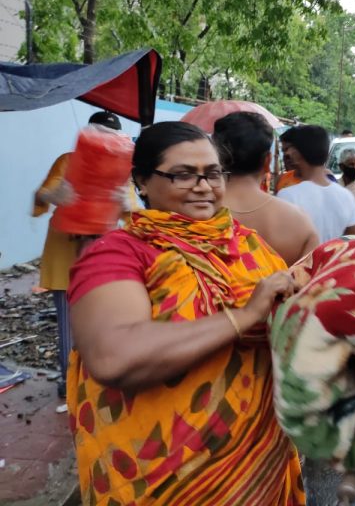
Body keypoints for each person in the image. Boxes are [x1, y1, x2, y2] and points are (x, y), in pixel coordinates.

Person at [66, 121, 305, 505]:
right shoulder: (119, 253)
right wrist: (242, 317)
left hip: (256, 461)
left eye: (213, 174)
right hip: (163, 475)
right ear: (142, 182)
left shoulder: (247, 243)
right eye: (182, 175)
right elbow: (113, 356)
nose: (203, 186)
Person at [33, 111, 125, 398]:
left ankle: (98, 378)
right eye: (99, 136)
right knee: (67, 326)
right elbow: (42, 195)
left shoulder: (121, 167)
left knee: (102, 321)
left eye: (111, 138)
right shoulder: (68, 161)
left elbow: (135, 211)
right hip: (65, 254)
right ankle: (68, 382)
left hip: (101, 257)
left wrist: (125, 202)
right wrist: (54, 195)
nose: (104, 144)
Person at [212, 111, 319, 266]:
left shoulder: (193, 217)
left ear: (216, 157)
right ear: (267, 161)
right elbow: (308, 283)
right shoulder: (300, 222)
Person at [277, 125, 355, 243]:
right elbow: (352, 242)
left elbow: (281, 245)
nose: (286, 154)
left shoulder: (287, 196)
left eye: (287, 149)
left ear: (296, 153)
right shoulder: (346, 196)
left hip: (301, 261)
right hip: (334, 260)